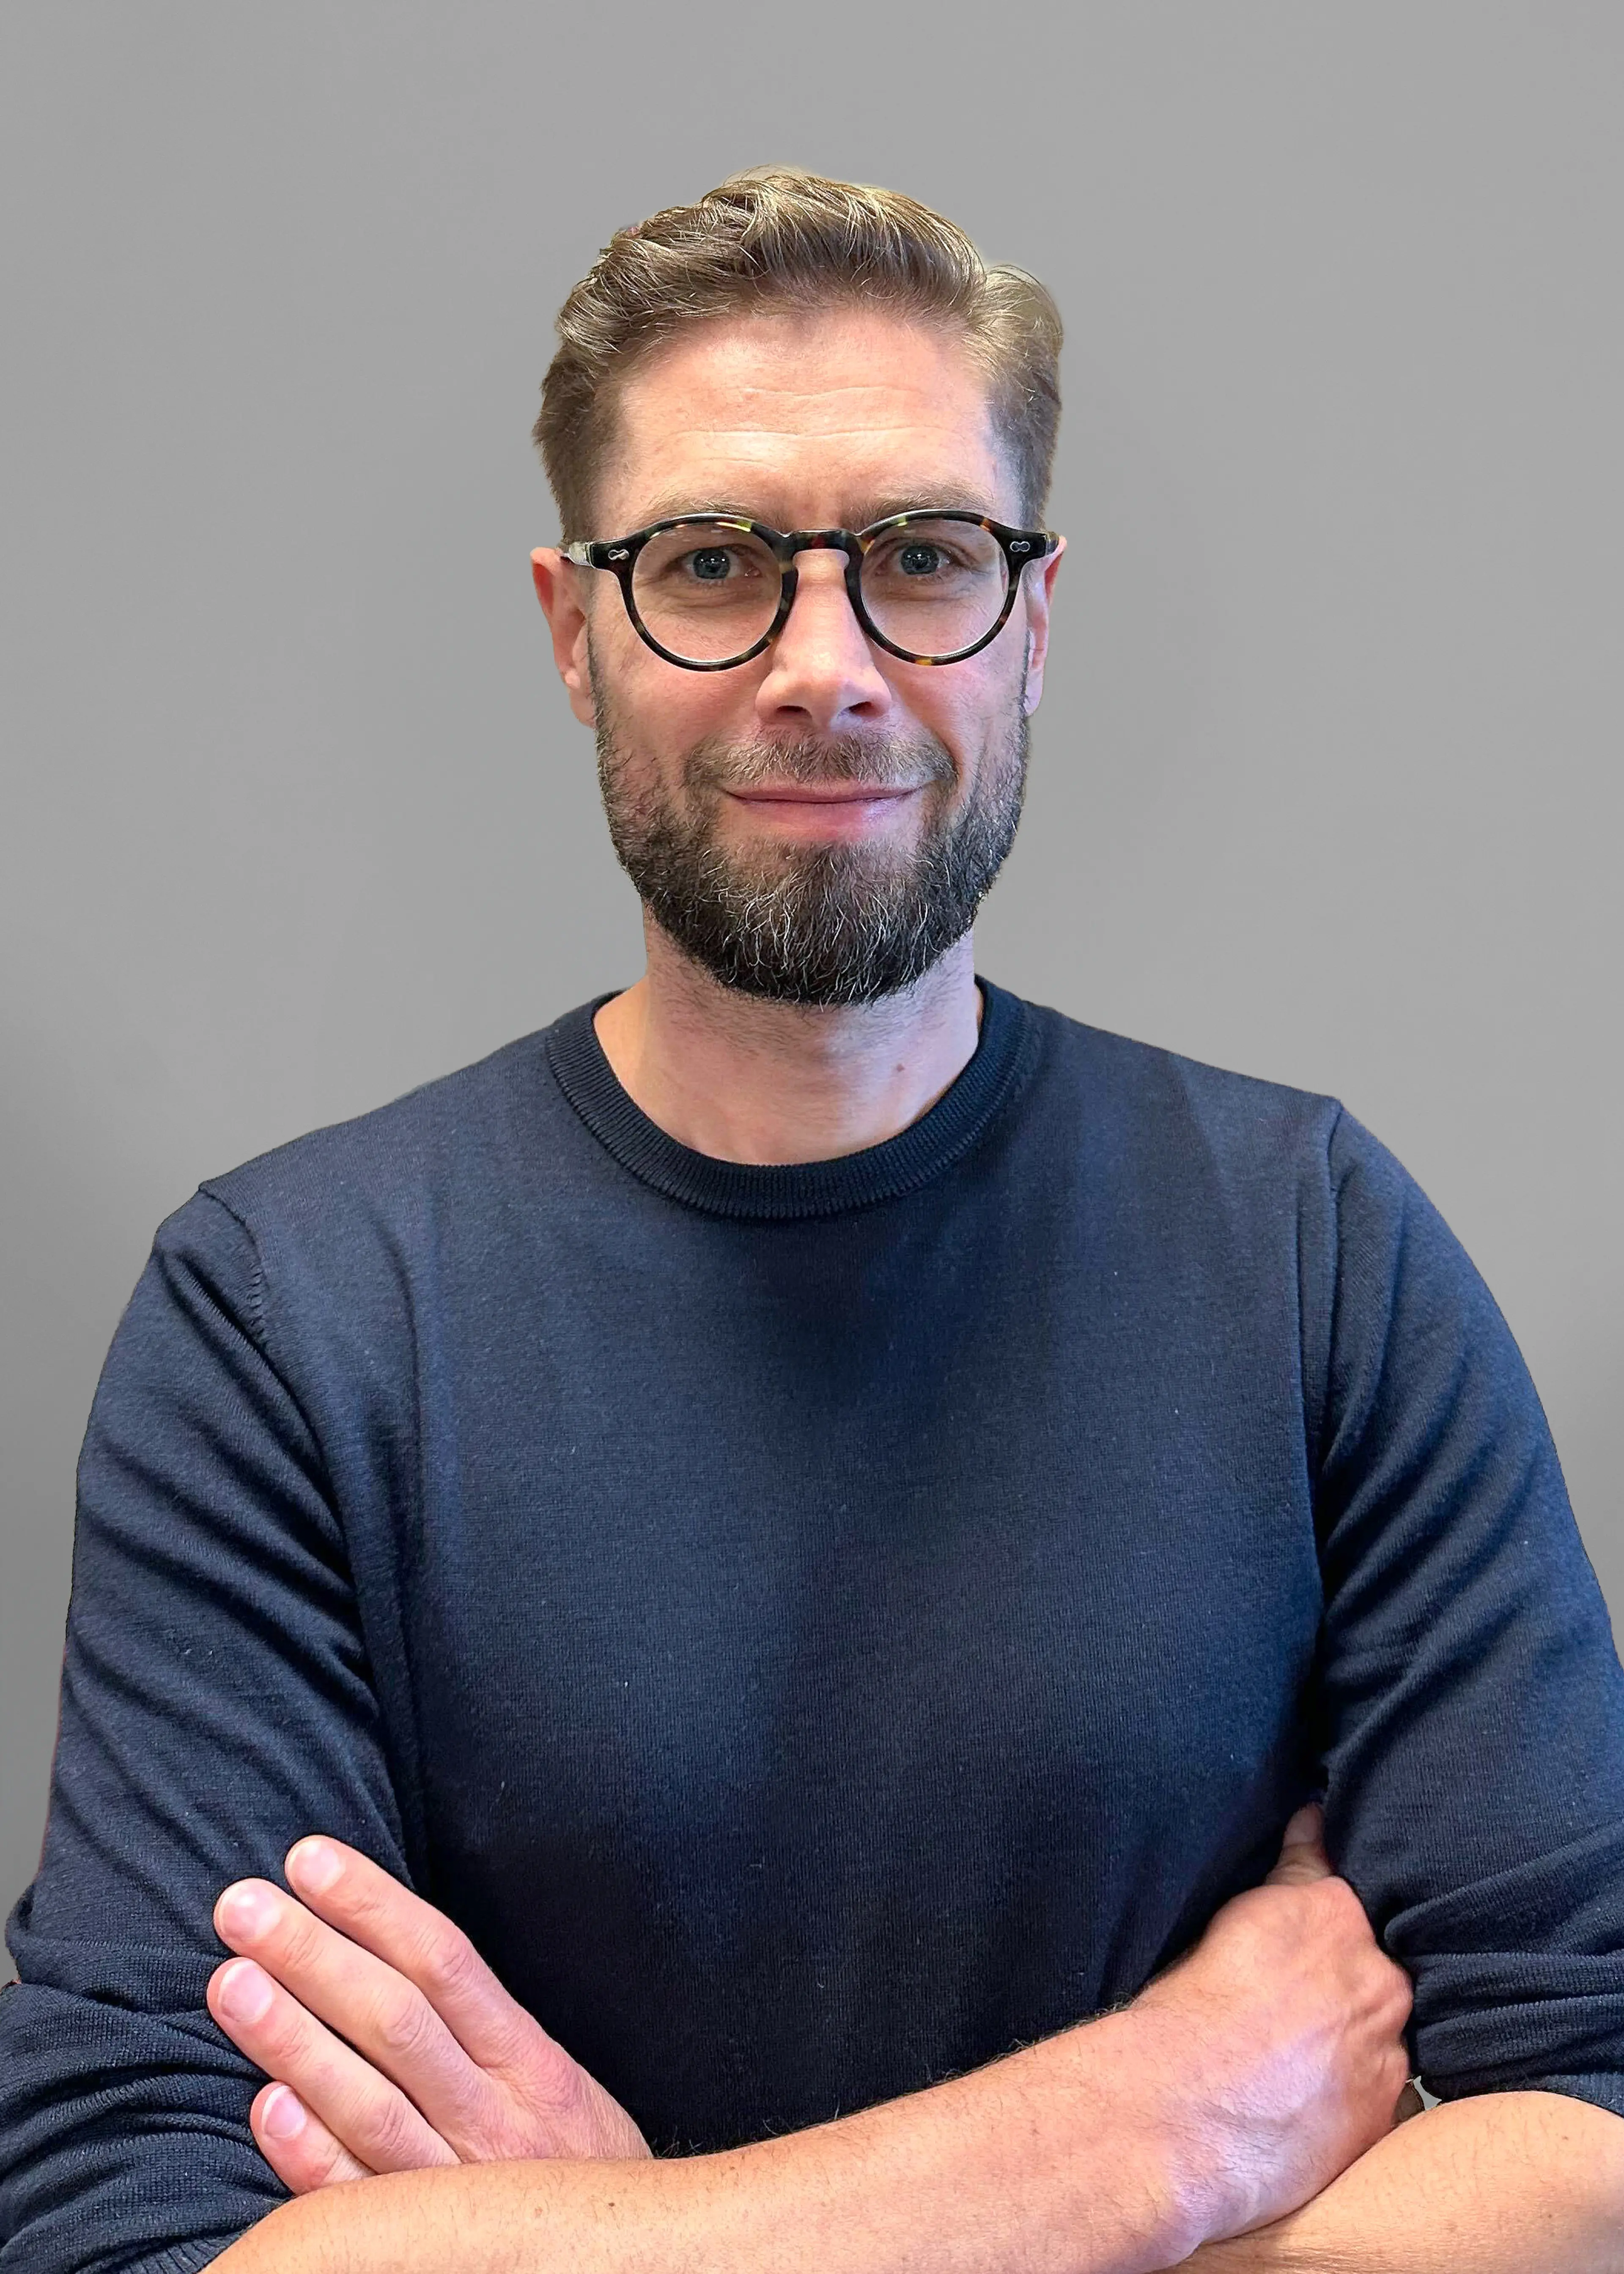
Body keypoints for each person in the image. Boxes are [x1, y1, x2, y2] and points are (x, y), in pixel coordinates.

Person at [3, 167, 1622, 2274]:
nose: (826, 664)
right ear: (574, 632)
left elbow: (1587, 2121)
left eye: (925, 560)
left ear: (1031, 624)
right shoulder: (294, 1315)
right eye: (709, 564)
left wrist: (628, 2237)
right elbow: (119, 2236)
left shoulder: (1312, 1246)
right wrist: (1150, 2133)